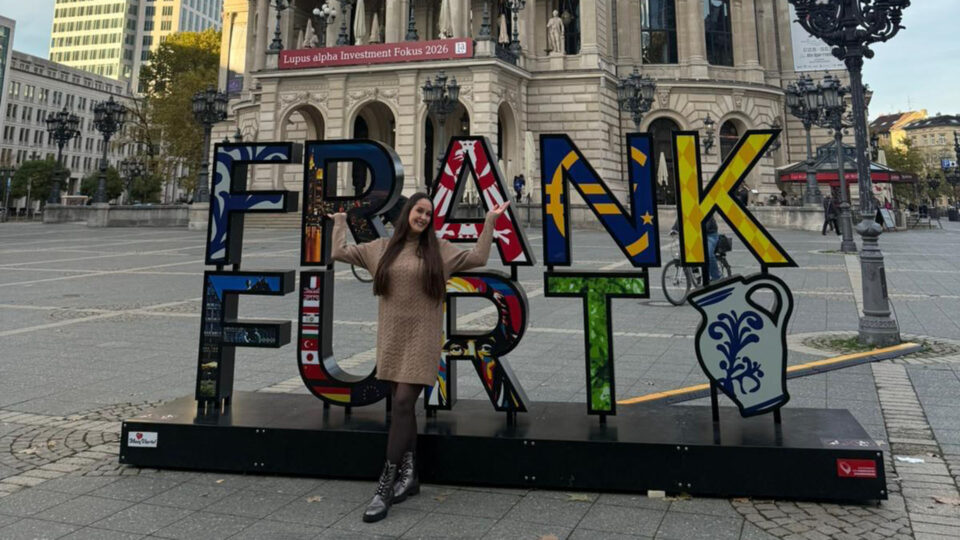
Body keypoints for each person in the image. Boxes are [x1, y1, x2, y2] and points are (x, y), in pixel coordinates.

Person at [329, 193, 509, 523]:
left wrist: (490, 222)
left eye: (428, 213)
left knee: (401, 403)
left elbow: (479, 257)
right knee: (403, 407)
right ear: (407, 213)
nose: (423, 217)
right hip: (392, 338)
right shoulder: (381, 248)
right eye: (419, 210)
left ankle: (386, 484)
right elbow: (339, 252)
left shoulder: (439, 250)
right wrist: (340, 222)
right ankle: (410, 475)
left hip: (422, 339)